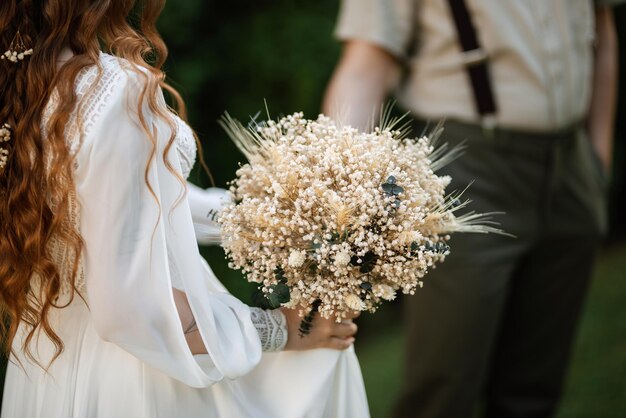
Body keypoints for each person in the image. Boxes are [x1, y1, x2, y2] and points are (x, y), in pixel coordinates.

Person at [0, 1, 370, 417]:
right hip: (141, 375)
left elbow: (137, 207)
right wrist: (279, 330)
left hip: (51, 363)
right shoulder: (113, 90)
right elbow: (130, 306)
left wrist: (277, 220)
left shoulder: (21, 88)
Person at [323, 1, 620, 417]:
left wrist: (596, 161)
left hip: (570, 168)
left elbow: (601, 30)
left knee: (535, 389)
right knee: (444, 386)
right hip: (464, 175)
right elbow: (363, 69)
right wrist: (338, 205)